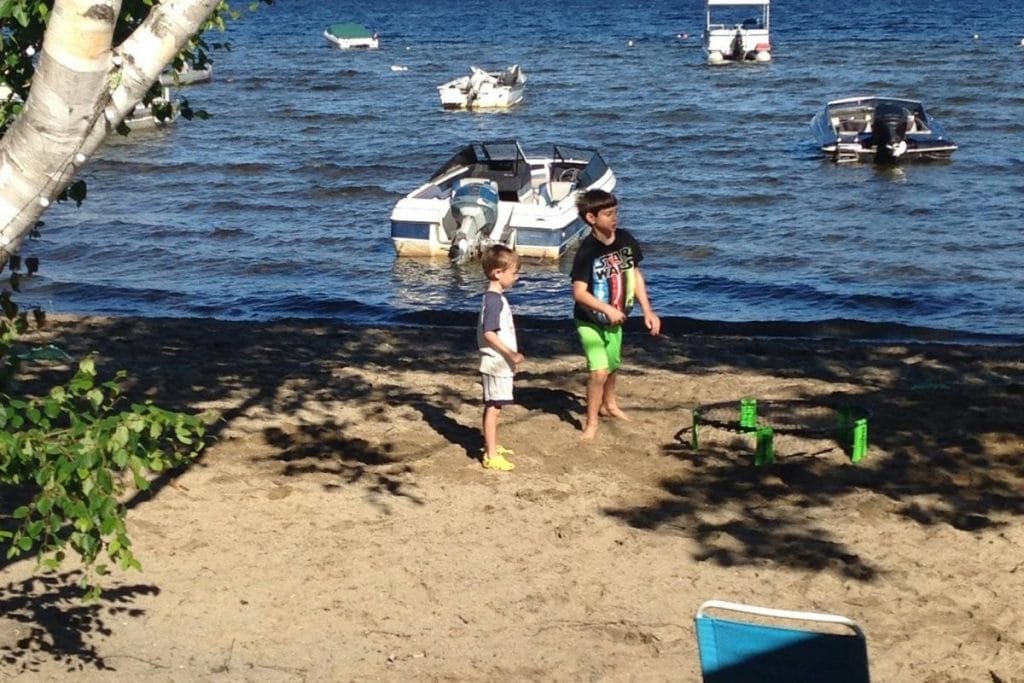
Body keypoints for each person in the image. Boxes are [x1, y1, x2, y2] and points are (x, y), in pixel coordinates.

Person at [570, 189, 660, 440]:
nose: (614, 218)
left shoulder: (625, 240)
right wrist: (605, 308)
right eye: (608, 214)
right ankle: (591, 423)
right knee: (598, 372)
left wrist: (648, 311)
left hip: (618, 318)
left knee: (612, 366)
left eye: (615, 212)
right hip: (590, 321)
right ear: (591, 218)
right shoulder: (587, 251)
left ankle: (609, 404)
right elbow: (578, 293)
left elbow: (636, 276)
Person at [477, 244, 525, 471]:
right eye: (514, 273)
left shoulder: (495, 298)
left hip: (499, 363)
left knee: (496, 406)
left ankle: (492, 446)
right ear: (498, 273)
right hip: (496, 363)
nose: (517, 277)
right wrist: (510, 353)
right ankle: (491, 454)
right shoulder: (494, 300)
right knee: (494, 407)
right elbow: (489, 333)